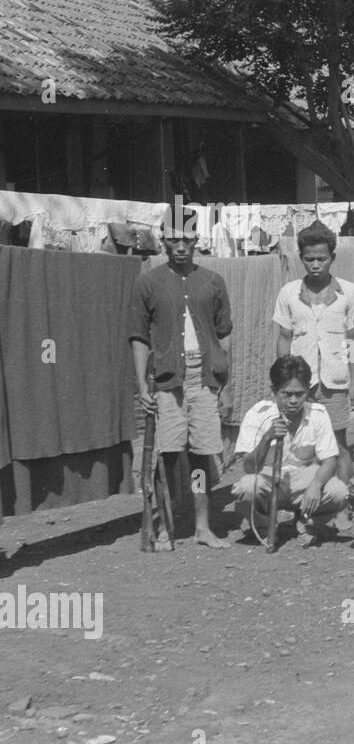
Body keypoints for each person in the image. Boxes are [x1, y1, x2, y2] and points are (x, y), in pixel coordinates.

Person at [129, 225, 233, 549]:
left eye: (187, 239)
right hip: (166, 380)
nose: (181, 246)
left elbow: (224, 334)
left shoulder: (213, 281)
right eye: (173, 240)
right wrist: (141, 385)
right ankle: (165, 527)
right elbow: (139, 336)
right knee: (168, 456)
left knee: (202, 456)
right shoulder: (148, 281)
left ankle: (202, 527)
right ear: (163, 242)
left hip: (204, 379)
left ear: (196, 241)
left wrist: (225, 385)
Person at [273, 218, 354, 488]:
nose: (315, 264)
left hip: (335, 382)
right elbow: (284, 339)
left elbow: (352, 340)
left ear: (332, 257)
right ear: (301, 258)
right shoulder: (288, 293)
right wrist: (283, 384)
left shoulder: (348, 292)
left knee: (338, 443)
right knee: (303, 445)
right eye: (309, 259)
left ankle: (343, 499)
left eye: (321, 258)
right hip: (301, 385)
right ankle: (307, 501)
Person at [232, 355, 349, 544]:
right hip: (268, 479)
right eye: (287, 394)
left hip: (302, 479)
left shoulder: (318, 414)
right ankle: (264, 526)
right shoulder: (257, 414)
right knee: (245, 487)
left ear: (308, 391)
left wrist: (316, 485)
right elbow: (248, 467)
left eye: (300, 394)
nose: (293, 400)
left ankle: (307, 522)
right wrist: (268, 437)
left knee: (339, 491)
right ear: (274, 391)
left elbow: (329, 461)